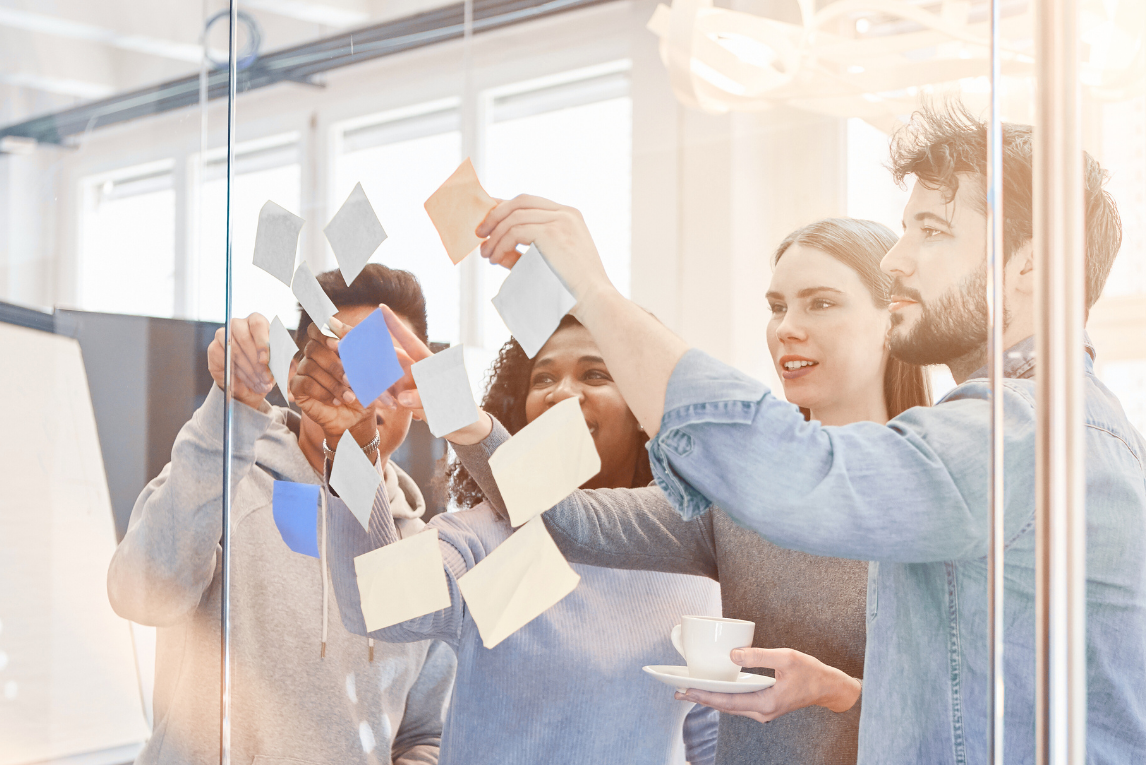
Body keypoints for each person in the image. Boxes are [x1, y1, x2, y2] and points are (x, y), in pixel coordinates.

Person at [474, 103, 1146, 763]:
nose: (898, 261)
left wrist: (594, 290)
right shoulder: (1022, 427)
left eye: (933, 231)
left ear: (1032, 266)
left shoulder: (1022, 432)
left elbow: (796, 472)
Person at [441, 218, 930, 764]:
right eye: (776, 306)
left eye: (820, 303)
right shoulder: (741, 493)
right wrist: (467, 422)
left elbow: (976, 720)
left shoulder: (933, 493)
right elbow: (572, 520)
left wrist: (842, 694)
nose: (787, 328)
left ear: (894, 320)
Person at [296, 310, 721, 764]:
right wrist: (355, 444)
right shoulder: (487, 539)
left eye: (595, 374)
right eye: (543, 379)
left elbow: (713, 739)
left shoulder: (690, 558)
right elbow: (376, 602)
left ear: (643, 408)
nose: (561, 393)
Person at [106, 265, 455, 765]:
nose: (361, 383)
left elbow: (425, 733)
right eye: (342, 357)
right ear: (298, 374)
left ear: (415, 392)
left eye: (385, 361)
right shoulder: (228, 477)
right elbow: (138, 594)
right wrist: (231, 411)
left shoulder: (424, 551)